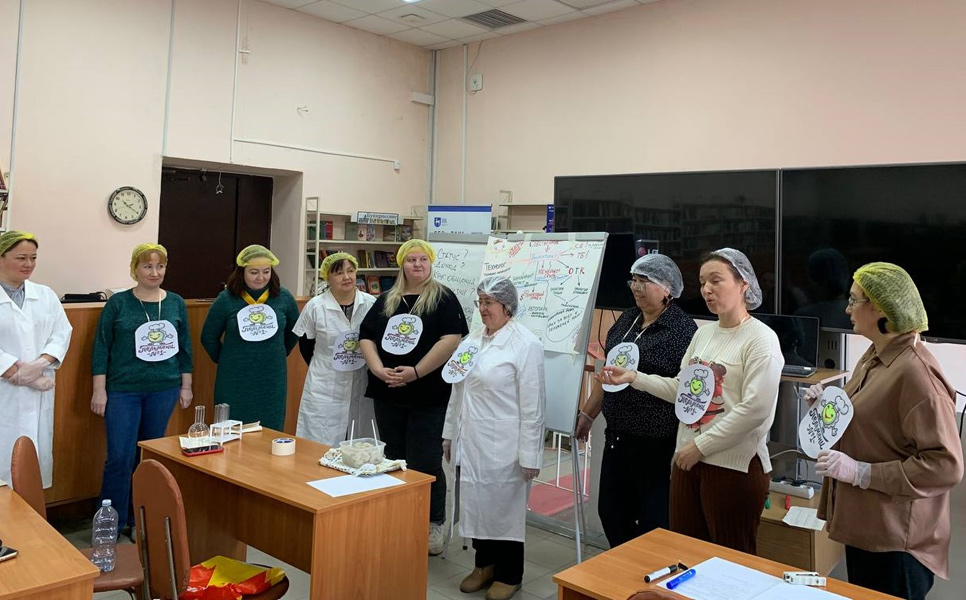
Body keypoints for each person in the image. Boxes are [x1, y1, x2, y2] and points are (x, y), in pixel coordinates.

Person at [601, 248, 783, 554]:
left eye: (716, 280)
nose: (707, 290)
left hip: (731, 466)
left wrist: (701, 446)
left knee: (728, 560)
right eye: (702, 283)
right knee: (686, 555)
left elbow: (755, 410)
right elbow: (681, 389)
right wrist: (634, 377)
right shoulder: (704, 334)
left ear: (744, 284)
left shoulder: (761, 339)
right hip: (687, 461)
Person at [806, 262, 963, 600]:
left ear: (879, 307)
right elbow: (869, 421)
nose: (846, 308)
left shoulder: (916, 375)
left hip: (896, 544)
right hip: (867, 529)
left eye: (853, 300)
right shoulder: (875, 356)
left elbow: (945, 466)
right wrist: (826, 406)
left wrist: (862, 473)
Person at [574, 254, 697, 548]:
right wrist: (588, 415)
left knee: (655, 521)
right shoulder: (627, 320)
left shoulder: (683, 330)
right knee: (611, 512)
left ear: (667, 288)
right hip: (618, 437)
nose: (637, 288)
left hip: (656, 444)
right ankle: (626, 566)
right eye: (634, 280)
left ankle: (649, 573)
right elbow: (608, 373)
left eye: (645, 281)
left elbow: (683, 389)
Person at [359, 239, 467, 555]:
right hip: (388, 392)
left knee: (426, 461)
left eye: (423, 259)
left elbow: (452, 339)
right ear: (402, 264)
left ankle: (433, 523)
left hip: (428, 394)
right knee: (393, 457)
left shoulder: (443, 298)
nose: (417, 265)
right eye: (411, 260)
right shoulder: (386, 300)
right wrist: (378, 369)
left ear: (430, 263)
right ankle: (399, 516)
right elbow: (366, 336)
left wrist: (417, 372)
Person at [443, 276, 545, 600]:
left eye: (489, 302)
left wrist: (530, 454)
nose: (483, 309)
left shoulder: (525, 344)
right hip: (472, 440)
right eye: (480, 302)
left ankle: (510, 574)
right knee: (476, 503)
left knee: (503, 510)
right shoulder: (473, 340)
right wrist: (449, 435)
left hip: (505, 445)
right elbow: (457, 392)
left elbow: (534, 406)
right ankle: (483, 565)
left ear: (507, 305)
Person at [92, 243, 193, 534]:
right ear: (135, 269)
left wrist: (186, 386)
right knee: (119, 458)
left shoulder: (175, 303)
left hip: (164, 389)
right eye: (148, 266)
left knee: (148, 458)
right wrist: (99, 390)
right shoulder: (119, 303)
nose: (154, 272)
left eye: (160, 266)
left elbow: (185, 347)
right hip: (123, 390)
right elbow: (101, 347)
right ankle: (111, 523)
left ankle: (142, 519)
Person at [0, 231, 72, 489]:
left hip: (40, 390)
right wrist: (24, 377)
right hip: (5, 392)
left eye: (33, 258)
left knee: (30, 472)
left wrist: (40, 365)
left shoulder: (45, 295)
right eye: (21, 258)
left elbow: (61, 333)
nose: (28, 264)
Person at [201, 244, 299, 431]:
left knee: (269, 429)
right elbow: (208, 337)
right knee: (231, 431)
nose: (260, 277)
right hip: (234, 377)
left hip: (272, 377)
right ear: (242, 272)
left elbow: (294, 331)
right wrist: (226, 359)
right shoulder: (226, 299)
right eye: (254, 272)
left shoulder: (284, 297)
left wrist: (278, 352)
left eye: (266, 272)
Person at [293, 252, 376, 445]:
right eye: (339, 273)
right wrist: (325, 366)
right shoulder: (315, 306)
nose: (347, 277)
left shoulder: (371, 304)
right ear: (327, 277)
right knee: (319, 443)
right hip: (324, 383)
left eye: (351, 271)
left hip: (360, 380)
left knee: (360, 442)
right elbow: (306, 345)